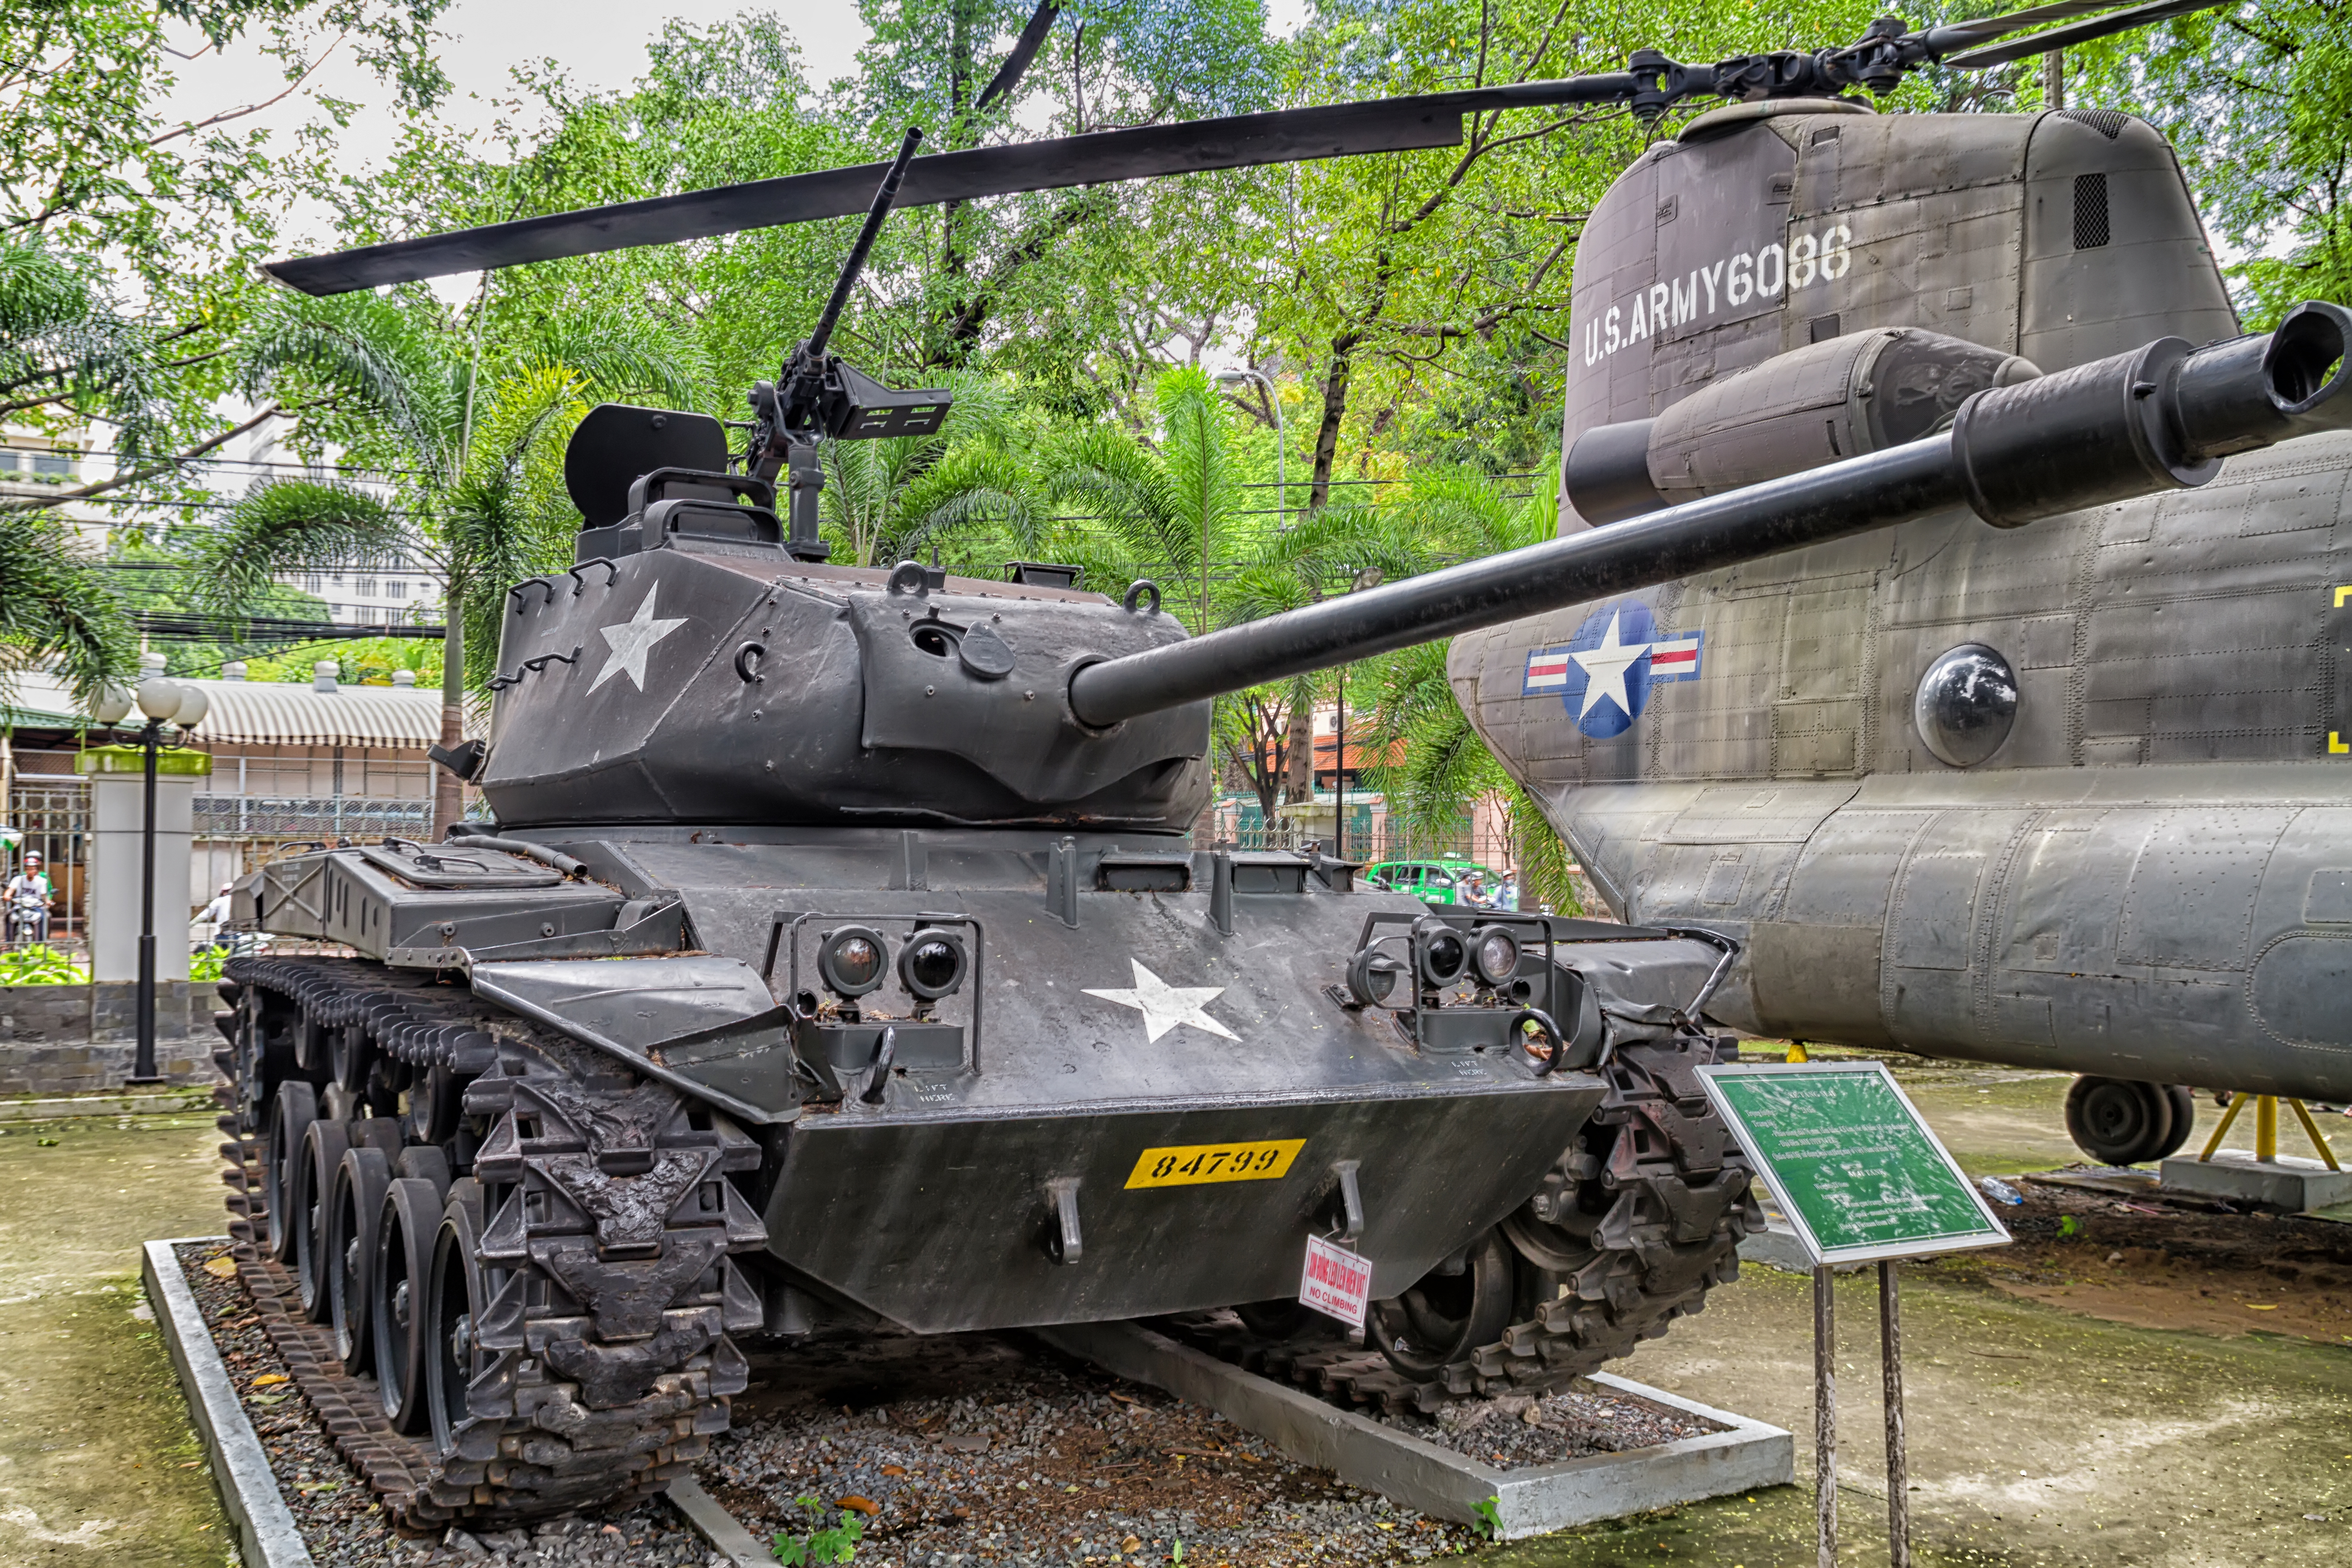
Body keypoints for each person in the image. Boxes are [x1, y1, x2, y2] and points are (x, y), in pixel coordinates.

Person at [5, 852, 54, 945]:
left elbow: (44, 895)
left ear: (36, 870)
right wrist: (7, 895)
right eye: (28, 869)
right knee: (9, 916)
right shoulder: (18, 879)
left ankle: (41, 942)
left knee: (44, 917)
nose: (30, 871)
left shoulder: (42, 881)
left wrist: (48, 902)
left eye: (32, 869)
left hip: (36, 906)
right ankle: (9, 942)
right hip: (20, 905)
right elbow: (10, 890)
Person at [197, 882, 235, 949]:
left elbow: (206, 914)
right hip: (237, 934)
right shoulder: (240, 901)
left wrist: (193, 922)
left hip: (222, 934)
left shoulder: (219, 900)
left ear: (223, 892)